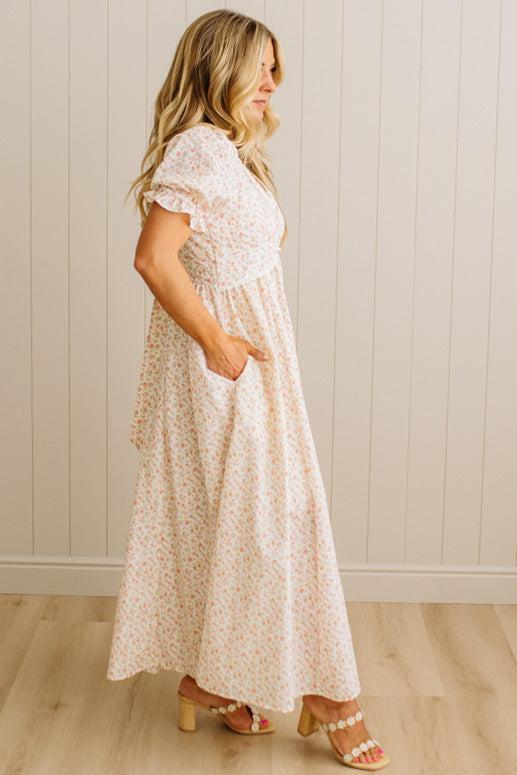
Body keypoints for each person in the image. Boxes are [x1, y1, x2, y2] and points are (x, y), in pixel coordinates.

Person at [106, 9, 389, 771]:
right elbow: (154, 258)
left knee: (244, 525)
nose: (271, 82)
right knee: (275, 521)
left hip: (251, 370)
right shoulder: (199, 148)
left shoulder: (227, 153)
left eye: (274, 69)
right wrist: (219, 345)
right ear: (218, 67)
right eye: (258, 67)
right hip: (223, 372)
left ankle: (217, 676)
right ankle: (331, 698)